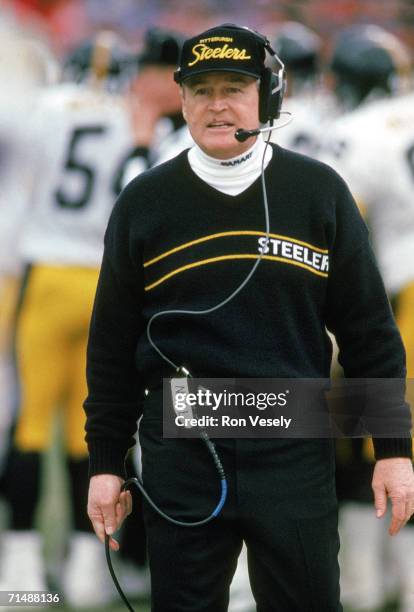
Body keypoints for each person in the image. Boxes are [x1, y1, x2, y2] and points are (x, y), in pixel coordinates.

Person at [85, 23, 414, 612]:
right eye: (202, 89)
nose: (218, 105)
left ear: (266, 97)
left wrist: (392, 450)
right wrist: (106, 463)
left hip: (294, 446)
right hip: (184, 449)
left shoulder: (319, 192)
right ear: (182, 100)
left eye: (234, 88)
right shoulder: (143, 200)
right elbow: (111, 345)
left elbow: (369, 331)